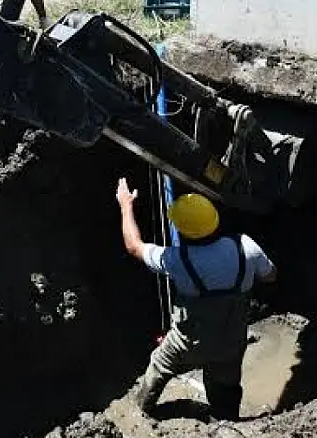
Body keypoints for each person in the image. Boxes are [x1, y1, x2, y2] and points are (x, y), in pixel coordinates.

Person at [114, 177, 277, 421]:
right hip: (231, 341)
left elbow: (134, 247)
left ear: (181, 230)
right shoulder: (246, 246)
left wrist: (126, 206)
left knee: (160, 363)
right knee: (226, 382)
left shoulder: (177, 260)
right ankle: (226, 421)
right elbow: (271, 276)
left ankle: (142, 412)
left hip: (188, 343)